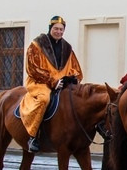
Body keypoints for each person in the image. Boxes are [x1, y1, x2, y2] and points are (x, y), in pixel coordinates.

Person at [20, 15, 83, 153]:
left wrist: (72, 78)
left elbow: (76, 69)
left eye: (61, 29)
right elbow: (33, 68)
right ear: (50, 28)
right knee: (44, 99)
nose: (58, 32)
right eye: (56, 29)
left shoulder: (67, 48)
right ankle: (33, 135)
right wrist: (53, 81)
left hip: (62, 83)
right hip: (40, 82)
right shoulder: (37, 45)